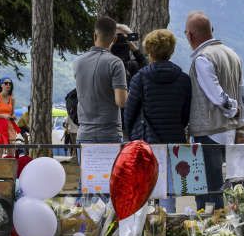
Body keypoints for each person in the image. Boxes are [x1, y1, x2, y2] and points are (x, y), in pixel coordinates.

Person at [184, 10, 244, 209]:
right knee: (225, 184)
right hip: (230, 130)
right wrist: (241, 126)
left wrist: (232, 108)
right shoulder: (232, 54)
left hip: (209, 130)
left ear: (190, 35)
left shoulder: (202, 58)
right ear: (211, 30)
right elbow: (242, 92)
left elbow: (217, 95)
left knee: (209, 187)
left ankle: (213, 229)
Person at [123, 29, 192, 144]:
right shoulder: (184, 79)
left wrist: (134, 135)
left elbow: (129, 114)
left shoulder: (140, 78)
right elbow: (185, 116)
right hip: (175, 140)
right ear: (171, 50)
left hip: (146, 142)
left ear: (149, 50)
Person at [73, 16, 129, 144]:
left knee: (87, 165)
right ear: (114, 39)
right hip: (110, 133)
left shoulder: (77, 62)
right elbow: (121, 101)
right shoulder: (115, 63)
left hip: (84, 133)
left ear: (94, 36)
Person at [0, 79, 18, 147]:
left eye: (10, 83)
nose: (8, 85)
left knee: (11, 149)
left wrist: (13, 116)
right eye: (6, 83)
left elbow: (12, 113)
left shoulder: (12, 99)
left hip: (10, 126)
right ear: (1, 85)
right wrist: (3, 116)